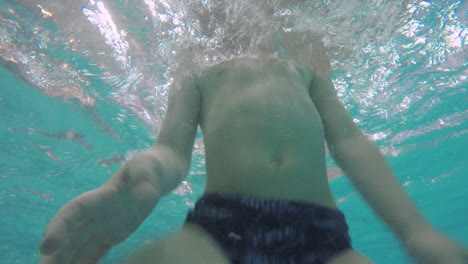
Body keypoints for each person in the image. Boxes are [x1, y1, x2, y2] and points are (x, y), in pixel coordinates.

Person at [38, 29, 467, 264]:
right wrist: (145, 172)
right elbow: (172, 151)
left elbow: (348, 139)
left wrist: (415, 230)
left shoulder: (305, 47)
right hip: (220, 227)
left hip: (321, 235)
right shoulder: (194, 59)